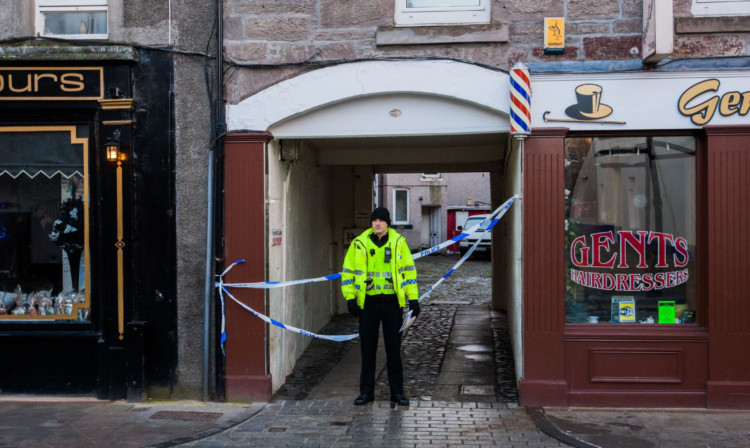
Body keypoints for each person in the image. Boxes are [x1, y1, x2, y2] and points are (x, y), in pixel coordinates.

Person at [341, 207, 420, 406]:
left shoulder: (398, 243)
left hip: (393, 303)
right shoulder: (359, 244)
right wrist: (350, 299)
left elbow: (409, 273)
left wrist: (414, 300)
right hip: (369, 303)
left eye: (381, 220)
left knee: (393, 350)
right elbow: (348, 273)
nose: (377, 223)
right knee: (368, 349)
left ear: (388, 223)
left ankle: (397, 393)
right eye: (374, 220)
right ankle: (366, 393)